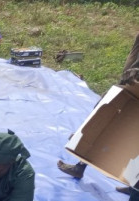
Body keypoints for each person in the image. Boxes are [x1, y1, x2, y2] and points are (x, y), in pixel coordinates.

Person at [58, 32, 139, 191]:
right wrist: (128, 77)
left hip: (132, 86)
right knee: (102, 123)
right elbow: (133, 58)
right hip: (130, 86)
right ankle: (80, 165)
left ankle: (134, 187)